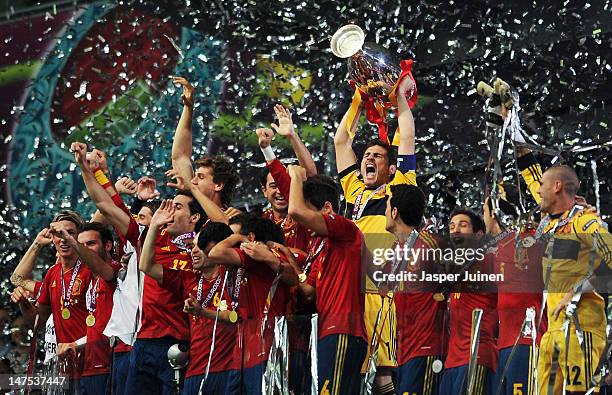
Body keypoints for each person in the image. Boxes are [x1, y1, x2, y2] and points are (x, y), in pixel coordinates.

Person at [71, 142, 207, 395]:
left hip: (178, 343)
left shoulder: (203, 250)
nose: (167, 210)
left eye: (176, 207)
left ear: (194, 218)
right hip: (143, 341)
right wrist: (85, 168)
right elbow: (106, 205)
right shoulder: (149, 239)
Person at [334, 71, 418, 394]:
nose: (368, 158)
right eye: (367, 155)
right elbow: (342, 141)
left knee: (385, 379)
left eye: (377, 156)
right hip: (353, 297)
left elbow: (407, 136)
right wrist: (358, 98)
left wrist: (398, 95)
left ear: (390, 168)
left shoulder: (398, 189)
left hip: (385, 296)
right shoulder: (354, 192)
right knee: (352, 379)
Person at [532, 164, 612, 394]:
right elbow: (530, 181)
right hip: (552, 332)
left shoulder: (585, 222)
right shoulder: (553, 227)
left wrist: (577, 291)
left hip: (581, 328)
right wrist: (522, 153)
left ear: (557, 186)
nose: (538, 191)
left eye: (542, 185)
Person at [287, 165, 367, 394]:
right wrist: (282, 261)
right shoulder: (320, 245)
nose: (305, 225)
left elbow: (295, 211)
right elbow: (309, 290)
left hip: (343, 330)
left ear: (328, 209)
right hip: (327, 332)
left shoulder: (346, 229)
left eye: (310, 215)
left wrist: (295, 177)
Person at [140, 216, 237, 395]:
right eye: (192, 246)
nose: (194, 251)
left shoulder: (233, 277)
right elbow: (146, 266)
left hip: (229, 370)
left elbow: (234, 317)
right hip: (194, 371)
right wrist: (153, 226)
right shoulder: (189, 280)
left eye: (201, 245)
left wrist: (202, 311)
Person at [208, 213, 296, 395]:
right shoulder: (245, 264)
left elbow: (215, 253)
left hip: (265, 347)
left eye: (232, 237)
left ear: (251, 238)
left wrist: (238, 239)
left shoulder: (255, 255)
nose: (229, 242)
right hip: (243, 352)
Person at [11, 210, 92, 389]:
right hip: (62, 368)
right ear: (53, 238)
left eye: (70, 233)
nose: (64, 238)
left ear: (79, 236)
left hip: (92, 365)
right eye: (58, 233)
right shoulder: (52, 274)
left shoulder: (92, 270)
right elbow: (38, 321)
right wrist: (38, 244)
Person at [384, 184, 447, 395]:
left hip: (426, 349)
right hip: (402, 352)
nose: (384, 212)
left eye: (386, 206)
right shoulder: (395, 250)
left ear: (394, 212)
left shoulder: (429, 244)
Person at [53, 221, 121, 395]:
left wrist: (73, 242)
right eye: (81, 245)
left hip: (108, 362)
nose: (84, 249)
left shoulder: (114, 270)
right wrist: (76, 344)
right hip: (89, 363)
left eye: (90, 243)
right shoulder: (90, 278)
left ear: (107, 245)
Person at [439, 208, 498, 395]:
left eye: (463, 225)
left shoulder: (489, 260)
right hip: (451, 361)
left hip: (477, 356)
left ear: (479, 235)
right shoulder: (452, 270)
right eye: (452, 226)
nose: (455, 230)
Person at [166, 76, 238, 220]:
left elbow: (223, 222)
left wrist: (191, 188)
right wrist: (188, 107)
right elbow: (180, 155)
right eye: (196, 176)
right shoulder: (192, 205)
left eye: (200, 177)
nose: (193, 181)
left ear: (218, 185)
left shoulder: (232, 217)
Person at [256, 104, 316, 251]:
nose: (280, 191)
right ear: (264, 191)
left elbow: (311, 177)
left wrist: (291, 136)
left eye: (285, 184)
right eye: (273, 186)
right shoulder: (260, 222)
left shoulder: (305, 212)